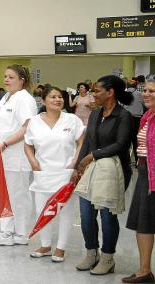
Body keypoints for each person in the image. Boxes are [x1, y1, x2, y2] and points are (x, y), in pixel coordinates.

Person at [72, 75, 133, 275]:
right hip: (90, 170)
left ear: (110, 92)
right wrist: (78, 168)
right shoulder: (96, 114)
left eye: (97, 91)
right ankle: (92, 253)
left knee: (107, 216)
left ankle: (108, 258)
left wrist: (92, 156)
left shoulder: (123, 116)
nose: (93, 94)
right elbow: (88, 142)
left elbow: (121, 144)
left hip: (113, 172)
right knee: (87, 215)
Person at [24, 85, 85, 262]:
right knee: (42, 209)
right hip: (42, 171)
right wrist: (33, 162)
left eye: (60, 97)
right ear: (43, 101)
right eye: (53, 97)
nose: (58, 100)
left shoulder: (72, 120)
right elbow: (27, 144)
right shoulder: (35, 121)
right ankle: (45, 244)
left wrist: (75, 162)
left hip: (65, 172)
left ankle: (61, 248)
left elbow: (82, 142)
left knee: (64, 211)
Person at [0, 64, 37, 246]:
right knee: (4, 194)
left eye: (11, 77)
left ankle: (20, 233)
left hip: (15, 155)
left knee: (17, 195)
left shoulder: (24, 99)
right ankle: (7, 232)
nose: (6, 80)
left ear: (22, 80)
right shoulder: (6, 97)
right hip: (1, 156)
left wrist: (6, 143)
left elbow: (27, 127)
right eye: (5, 76)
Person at [122, 80, 155, 283]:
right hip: (145, 175)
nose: (146, 94)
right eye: (146, 90)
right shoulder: (147, 116)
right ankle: (144, 271)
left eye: (152, 91)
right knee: (143, 224)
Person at [124, 79, 145, 163]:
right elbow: (145, 104)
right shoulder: (140, 94)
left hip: (125, 119)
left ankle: (126, 161)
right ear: (136, 86)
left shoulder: (123, 94)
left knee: (126, 140)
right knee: (136, 141)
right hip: (137, 119)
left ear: (127, 86)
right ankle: (137, 161)